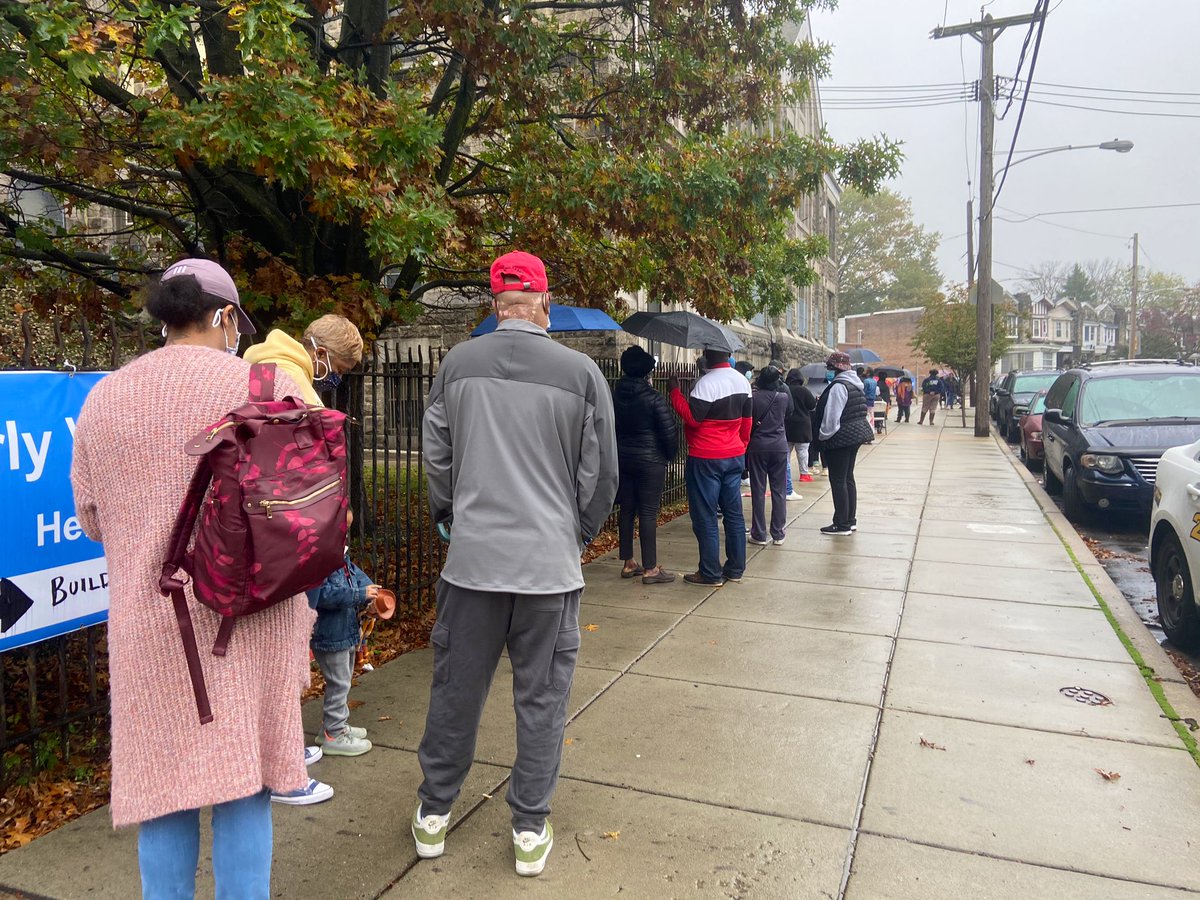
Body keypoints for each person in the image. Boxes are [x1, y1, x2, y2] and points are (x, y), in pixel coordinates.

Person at [70, 259, 315, 898]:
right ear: (226, 317)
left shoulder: (104, 400)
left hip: (151, 622)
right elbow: (303, 512)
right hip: (250, 619)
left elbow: (92, 518)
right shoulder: (265, 389)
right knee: (246, 787)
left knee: (164, 791)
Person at [413, 251, 618, 878]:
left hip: (473, 563)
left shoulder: (456, 364)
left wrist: (452, 519)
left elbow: (437, 460)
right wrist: (575, 533)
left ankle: (433, 813)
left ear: (496, 306)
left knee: (456, 690)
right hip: (548, 568)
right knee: (542, 699)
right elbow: (601, 474)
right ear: (545, 308)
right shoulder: (582, 374)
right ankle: (530, 825)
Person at [669, 348, 753, 586]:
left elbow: (693, 419)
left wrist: (675, 392)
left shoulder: (706, 384)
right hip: (734, 453)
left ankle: (709, 572)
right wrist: (741, 447)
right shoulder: (742, 381)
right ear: (727, 355)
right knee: (734, 514)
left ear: (707, 356)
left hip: (706, 456)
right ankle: (735, 569)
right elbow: (746, 423)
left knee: (705, 516)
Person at [613, 345, 678, 584]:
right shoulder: (653, 398)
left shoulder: (615, 395)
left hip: (623, 458)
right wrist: (669, 455)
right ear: (646, 373)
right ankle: (651, 568)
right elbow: (669, 431)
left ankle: (628, 562)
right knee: (648, 512)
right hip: (650, 461)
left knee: (627, 509)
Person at [814, 351, 875, 536]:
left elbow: (831, 418)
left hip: (840, 438)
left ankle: (841, 524)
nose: (828, 371)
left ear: (836, 369)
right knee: (848, 477)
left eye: (830, 368)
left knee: (838, 479)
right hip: (855, 435)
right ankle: (850, 519)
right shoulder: (855, 384)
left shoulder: (838, 387)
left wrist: (823, 437)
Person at [244, 314, 364, 405]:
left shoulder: (264, 365)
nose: (338, 377)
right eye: (339, 370)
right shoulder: (293, 379)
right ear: (320, 354)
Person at [747, 366, 792, 546]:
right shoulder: (783, 397)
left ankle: (759, 533)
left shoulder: (753, 398)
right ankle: (778, 533)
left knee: (758, 490)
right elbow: (788, 412)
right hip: (779, 446)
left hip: (758, 446)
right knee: (779, 490)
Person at [784, 367, 816, 483]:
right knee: (802, 451)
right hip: (802, 425)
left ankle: (785, 475)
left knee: (786, 452)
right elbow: (812, 405)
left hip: (787, 424)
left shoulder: (784, 390)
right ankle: (804, 474)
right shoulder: (804, 390)